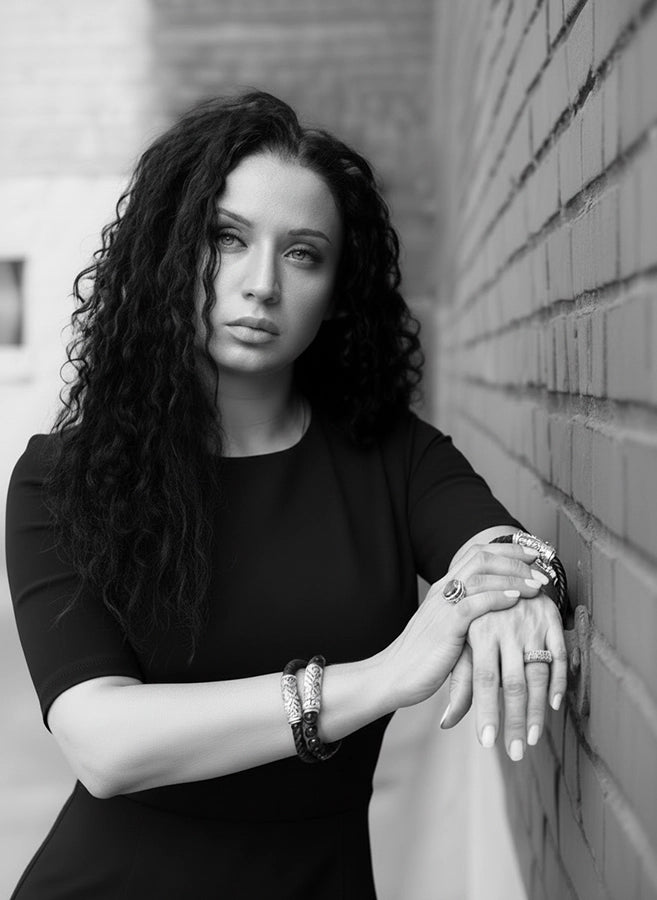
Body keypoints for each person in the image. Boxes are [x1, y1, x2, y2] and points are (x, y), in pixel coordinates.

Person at [6, 91, 567, 899]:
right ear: (168, 253)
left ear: (339, 288)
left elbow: (502, 550)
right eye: (226, 239)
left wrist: (522, 587)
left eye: (302, 253)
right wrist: (378, 679)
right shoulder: (61, 479)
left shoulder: (394, 459)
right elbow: (104, 745)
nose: (261, 284)